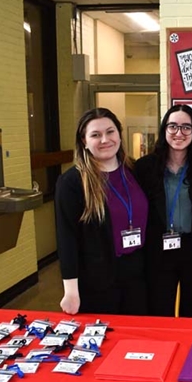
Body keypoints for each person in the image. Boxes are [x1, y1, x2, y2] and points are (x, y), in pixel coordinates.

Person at [55, 107, 148, 315]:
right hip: (97, 283)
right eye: (95, 135)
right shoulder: (72, 182)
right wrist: (70, 291)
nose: (105, 139)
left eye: (110, 131)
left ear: (119, 134)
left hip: (138, 278)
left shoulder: (135, 171)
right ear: (84, 141)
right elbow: (66, 238)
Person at [134, 105, 192, 317]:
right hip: (158, 250)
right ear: (164, 130)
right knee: (160, 312)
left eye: (186, 127)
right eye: (173, 126)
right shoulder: (145, 167)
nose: (179, 133)